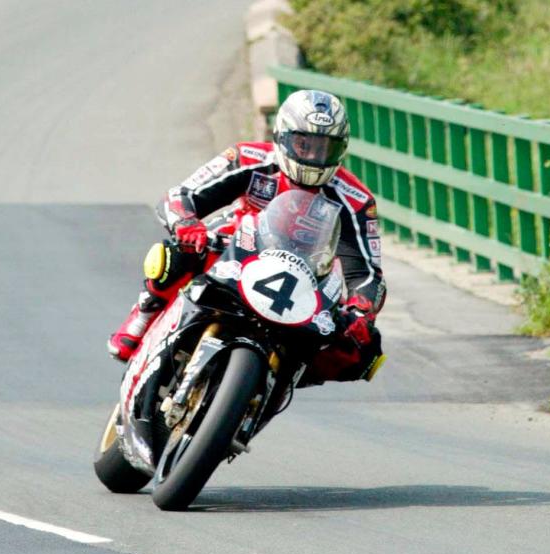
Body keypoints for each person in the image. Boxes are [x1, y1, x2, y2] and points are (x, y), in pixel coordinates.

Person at [108, 89, 386, 382]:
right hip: (236, 247)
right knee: (173, 253)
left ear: (340, 149)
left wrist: (361, 311)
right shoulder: (247, 157)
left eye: (324, 148)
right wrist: (187, 224)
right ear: (281, 136)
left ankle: (284, 376)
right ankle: (143, 314)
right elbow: (181, 195)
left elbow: (367, 274)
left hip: (305, 278)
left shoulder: (356, 199)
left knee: (364, 348)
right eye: (304, 145)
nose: (314, 156)